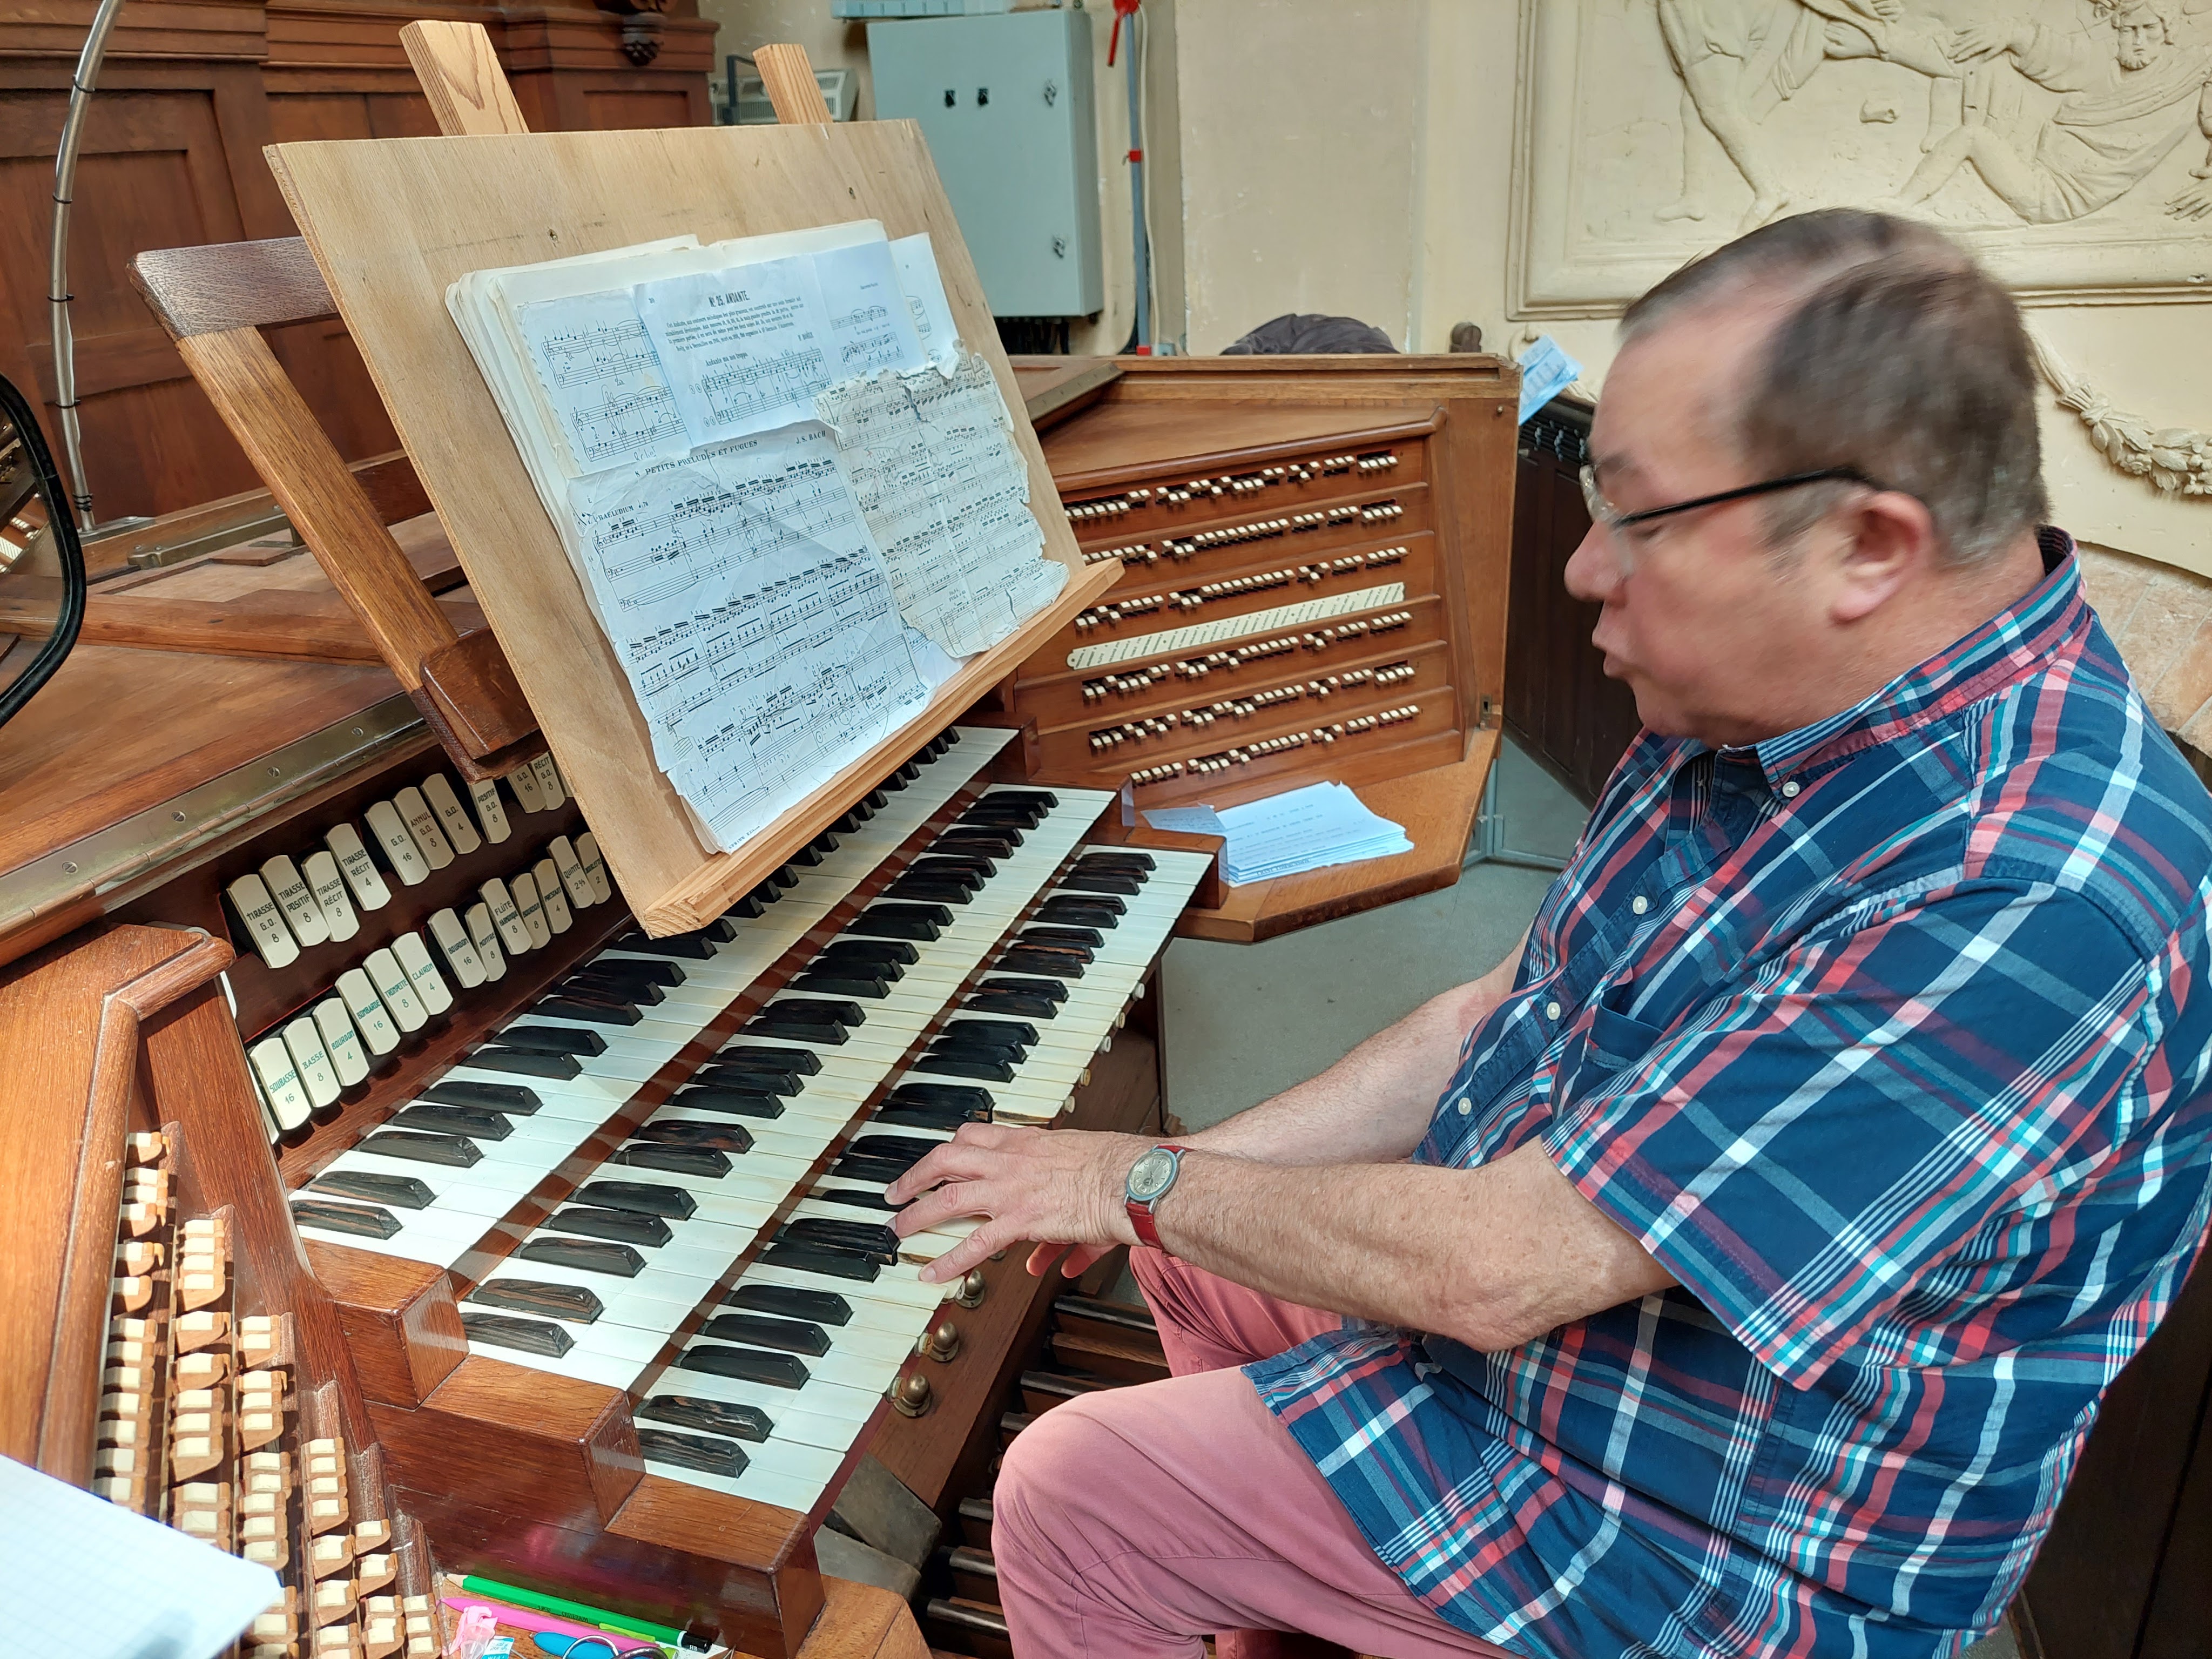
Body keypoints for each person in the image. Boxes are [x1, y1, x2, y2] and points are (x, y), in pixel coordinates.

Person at [884, 209, 2212, 1659]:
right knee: (1204, 1231)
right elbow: (1501, 1015)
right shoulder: (1762, 697)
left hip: (1730, 1538)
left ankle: (1263, 1569)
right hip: (1578, 1356)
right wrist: (1166, 1184)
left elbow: (1501, 1269)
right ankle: (1292, 1603)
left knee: (1084, 1493)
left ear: (1866, 546)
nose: (1584, 570)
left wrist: (1123, 1174)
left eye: (1639, 519)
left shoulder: (2028, 888)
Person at [1894, 0, 2212, 221]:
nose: (2139, 40)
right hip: (2038, 150)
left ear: (2167, 31)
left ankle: (1899, 206)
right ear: (2117, 31)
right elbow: (2059, 55)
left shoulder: (2191, 71)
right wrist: (2012, 32)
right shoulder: (2106, 66)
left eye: (2149, 29)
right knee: (1991, 54)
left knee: (1972, 137)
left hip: (2060, 191)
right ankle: (1885, 41)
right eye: (2129, 30)